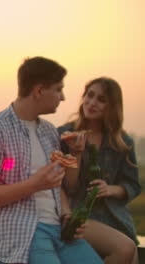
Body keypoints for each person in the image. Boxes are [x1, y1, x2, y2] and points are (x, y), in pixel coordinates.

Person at [0, 57, 103, 264]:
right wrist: (34, 184)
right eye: (59, 89)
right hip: (20, 233)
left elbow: (60, 185)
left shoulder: (49, 131)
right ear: (39, 90)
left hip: (59, 232)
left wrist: (67, 216)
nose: (63, 97)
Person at [58, 77, 141, 263]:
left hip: (114, 216)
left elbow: (133, 185)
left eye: (101, 99)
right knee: (126, 248)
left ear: (112, 107)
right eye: (90, 95)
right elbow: (66, 186)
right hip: (79, 213)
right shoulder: (65, 134)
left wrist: (111, 189)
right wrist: (75, 153)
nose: (92, 102)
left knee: (133, 254)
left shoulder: (121, 142)